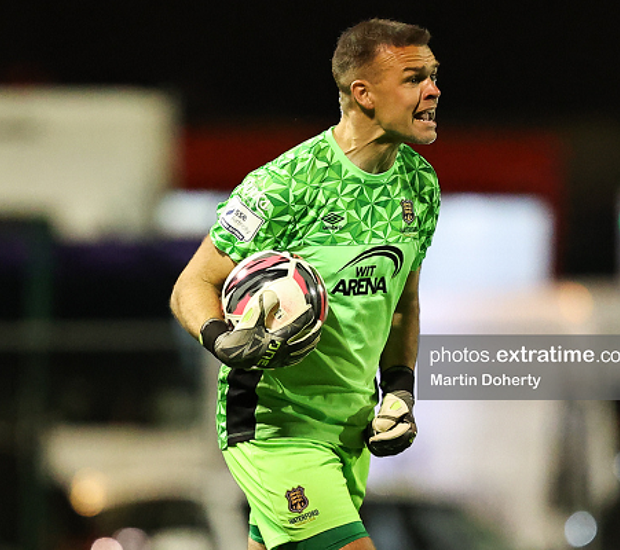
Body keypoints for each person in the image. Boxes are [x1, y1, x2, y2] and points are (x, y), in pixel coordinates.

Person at [170, 18, 441, 550]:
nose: (432, 90)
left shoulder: (420, 185)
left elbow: (403, 304)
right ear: (362, 93)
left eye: (433, 76)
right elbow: (192, 284)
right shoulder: (287, 184)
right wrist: (222, 337)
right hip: (275, 429)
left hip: (350, 433)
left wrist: (401, 393)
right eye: (413, 78)